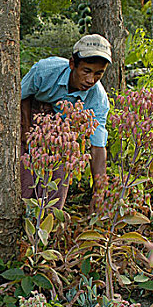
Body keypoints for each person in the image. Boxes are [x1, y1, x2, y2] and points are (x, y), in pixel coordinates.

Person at [20, 34, 112, 210]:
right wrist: (26, 132)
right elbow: (22, 96)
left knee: (58, 175)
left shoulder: (98, 100)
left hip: (62, 129)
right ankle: (19, 221)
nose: (90, 80)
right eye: (86, 71)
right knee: (25, 174)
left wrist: (99, 192)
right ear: (72, 64)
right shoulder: (45, 71)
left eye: (98, 74)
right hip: (33, 110)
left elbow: (98, 145)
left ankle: (47, 223)